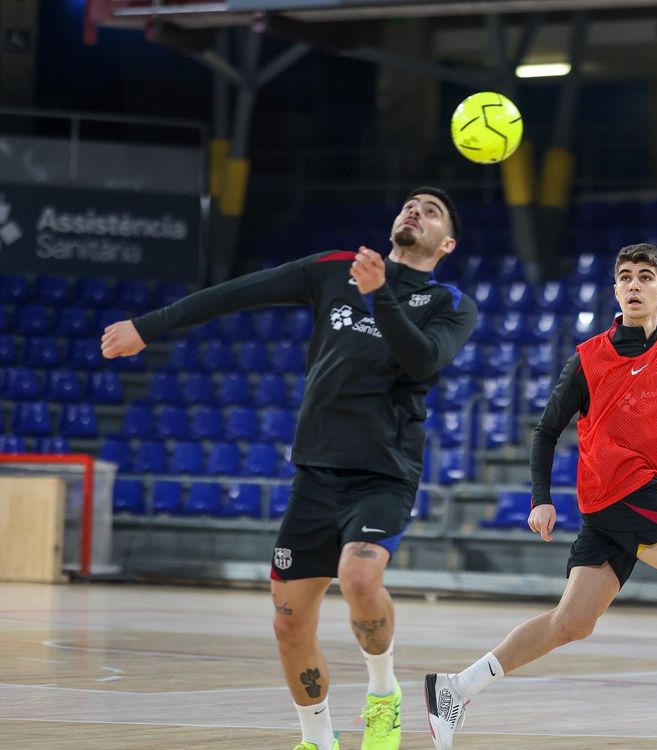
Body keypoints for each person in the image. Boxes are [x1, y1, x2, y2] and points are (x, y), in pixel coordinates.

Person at [100, 187, 477, 750]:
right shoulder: (332, 271)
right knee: (288, 622)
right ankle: (317, 739)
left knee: (359, 576)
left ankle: (383, 696)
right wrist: (150, 326)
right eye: (409, 204)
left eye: (431, 211)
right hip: (316, 473)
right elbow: (236, 293)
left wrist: (381, 298)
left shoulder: (451, 303)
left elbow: (421, 359)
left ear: (444, 243)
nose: (414, 211)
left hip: (383, 472)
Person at [424, 242, 657, 748]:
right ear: (615, 289)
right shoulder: (589, 359)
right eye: (625, 277)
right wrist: (541, 497)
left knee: (572, 623)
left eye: (645, 277)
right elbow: (545, 431)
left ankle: (455, 688)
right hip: (619, 487)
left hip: (618, 501)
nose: (634, 285)